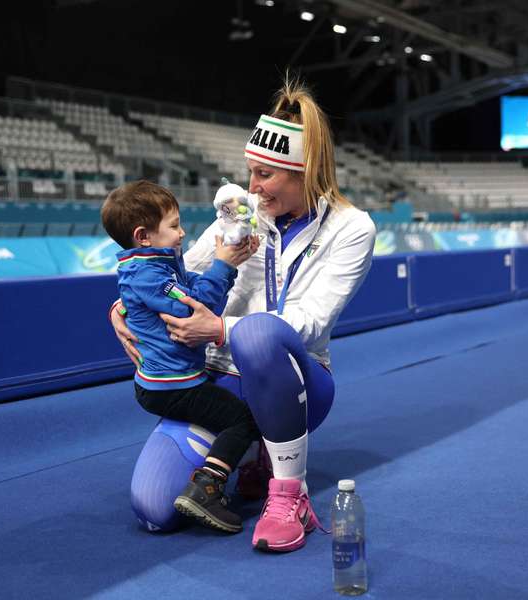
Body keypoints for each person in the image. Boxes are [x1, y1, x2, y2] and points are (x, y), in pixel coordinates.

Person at [111, 77, 377, 552]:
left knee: (258, 335)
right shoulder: (241, 212)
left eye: (266, 175)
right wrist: (122, 306)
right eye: (250, 171)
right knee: (154, 508)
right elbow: (178, 270)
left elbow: (309, 321)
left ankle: (287, 493)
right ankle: (253, 449)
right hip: (218, 380)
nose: (252, 187)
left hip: (299, 378)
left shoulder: (353, 228)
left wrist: (218, 329)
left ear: (306, 170)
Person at [101, 180, 261, 534]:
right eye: (174, 226)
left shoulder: (154, 263)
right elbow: (197, 310)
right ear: (143, 236)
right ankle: (207, 487)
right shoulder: (150, 274)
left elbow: (186, 284)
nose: (182, 232)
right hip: (172, 387)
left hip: (171, 381)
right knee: (241, 421)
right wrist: (223, 266)